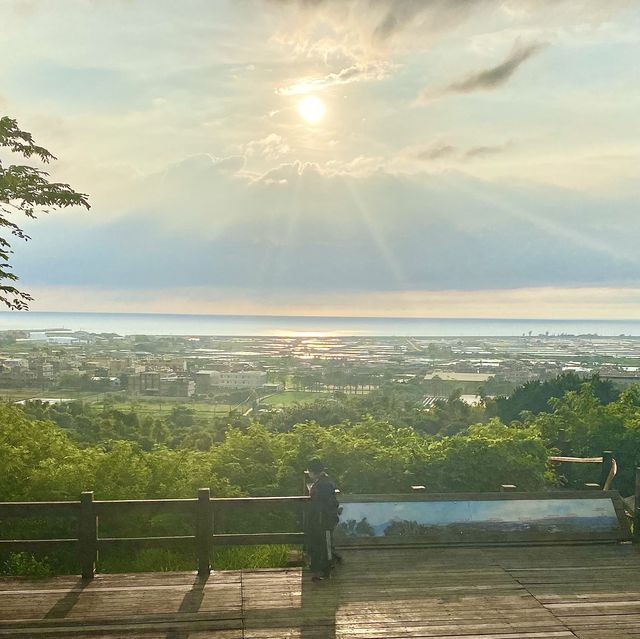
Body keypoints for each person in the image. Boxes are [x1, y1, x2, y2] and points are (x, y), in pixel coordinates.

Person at [305, 458, 340, 581]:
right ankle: (322, 571)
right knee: (323, 545)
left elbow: (322, 504)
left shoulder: (323, 484)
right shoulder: (325, 481)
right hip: (322, 519)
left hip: (323, 520)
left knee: (324, 545)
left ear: (313, 471)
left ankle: (325, 571)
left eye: (309, 472)